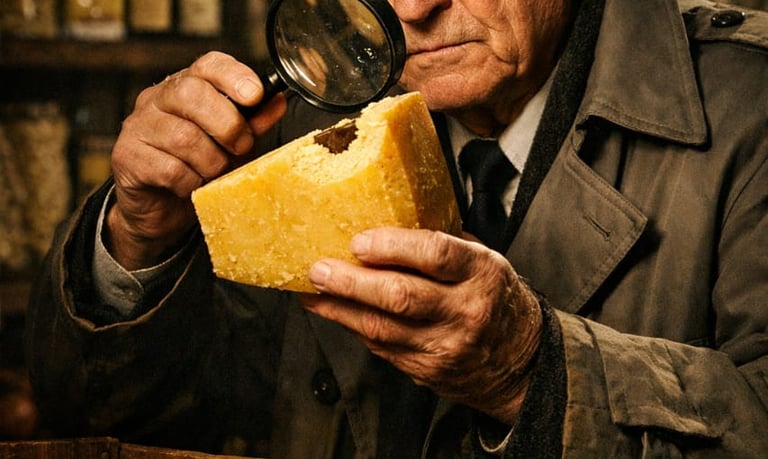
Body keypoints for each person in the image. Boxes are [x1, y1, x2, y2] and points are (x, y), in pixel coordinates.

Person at [24, 0, 768, 457]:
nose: (412, 8)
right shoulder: (308, 124)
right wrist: (139, 243)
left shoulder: (751, 106)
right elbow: (128, 421)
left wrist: (531, 371)